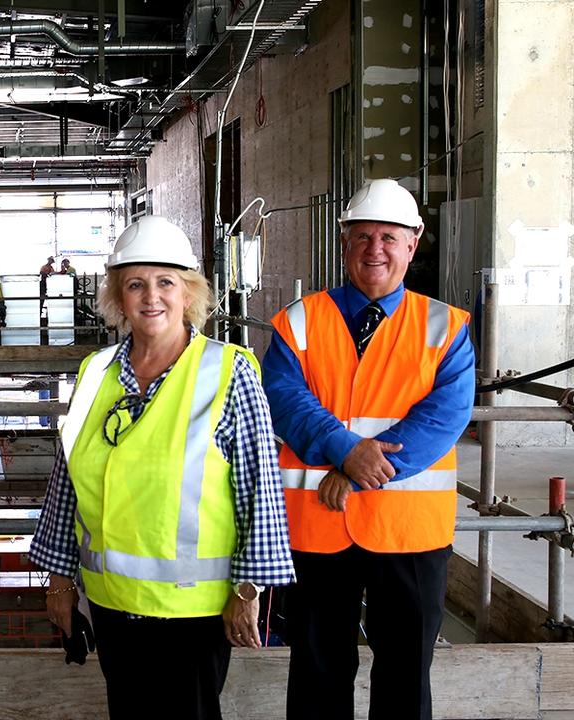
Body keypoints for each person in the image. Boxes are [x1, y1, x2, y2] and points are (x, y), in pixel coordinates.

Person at [28, 216, 294, 720]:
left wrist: (249, 590)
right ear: (118, 298)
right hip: (110, 603)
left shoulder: (227, 371)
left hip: (190, 611)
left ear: (189, 293)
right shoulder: (96, 372)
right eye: (135, 284)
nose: (152, 297)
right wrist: (60, 579)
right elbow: (66, 481)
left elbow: (259, 489)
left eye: (166, 282)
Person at [263, 178, 475, 720]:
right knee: (316, 668)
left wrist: (358, 471)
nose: (374, 248)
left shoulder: (445, 328)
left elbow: (442, 420)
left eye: (388, 236)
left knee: (406, 672)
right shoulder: (300, 321)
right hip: (319, 528)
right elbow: (284, 398)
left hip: (408, 532)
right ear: (343, 242)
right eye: (361, 236)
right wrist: (345, 450)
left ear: (413, 242)